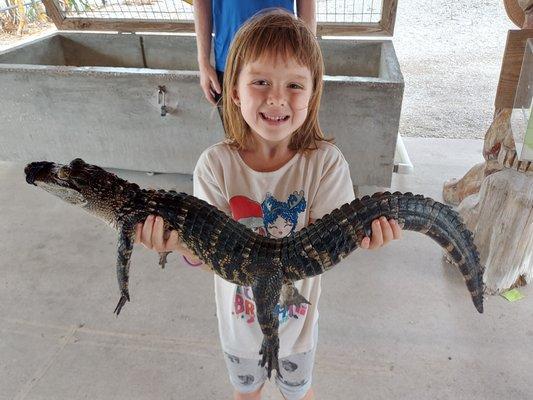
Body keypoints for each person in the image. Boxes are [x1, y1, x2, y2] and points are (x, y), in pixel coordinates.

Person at [135, 10, 402, 400]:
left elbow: (334, 239)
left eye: (294, 84)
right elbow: (206, 250)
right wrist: (175, 243)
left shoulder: (326, 163)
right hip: (239, 329)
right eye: (260, 81)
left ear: (312, 96)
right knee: (247, 394)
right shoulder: (214, 166)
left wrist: (367, 237)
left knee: (299, 393)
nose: (277, 97)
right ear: (235, 90)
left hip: (298, 329)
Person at [193, 0, 317, 111]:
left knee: (282, 130)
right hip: (229, 59)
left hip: (282, 58)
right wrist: (203, 62)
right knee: (235, 133)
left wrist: (308, 58)